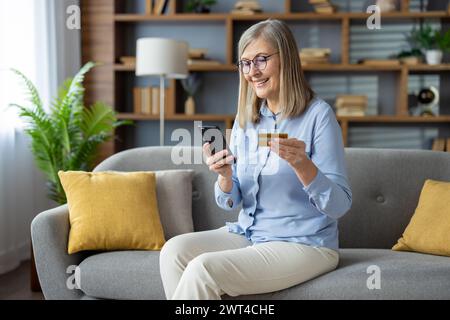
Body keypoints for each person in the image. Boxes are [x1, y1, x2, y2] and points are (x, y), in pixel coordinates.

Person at [159, 19, 352, 300]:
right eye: (245, 63)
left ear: (285, 58)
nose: (253, 71)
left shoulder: (318, 117)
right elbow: (233, 199)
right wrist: (225, 176)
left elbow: (340, 205)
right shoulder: (247, 119)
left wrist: (303, 166)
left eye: (261, 60)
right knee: (174, 251)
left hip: (305, 244)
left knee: (204, 270)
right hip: (250, 233)